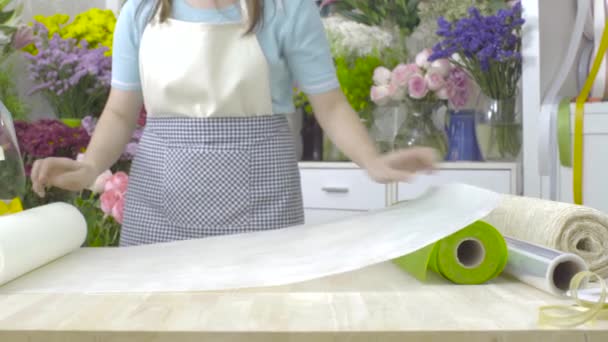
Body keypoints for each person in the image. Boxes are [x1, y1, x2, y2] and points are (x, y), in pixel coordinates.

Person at [30, 0, 437, 246]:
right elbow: (120, 113)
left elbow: (328, 104)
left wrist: (372, 161)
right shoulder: (140, 11)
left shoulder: (286, 10)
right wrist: (88, 168)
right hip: (160, 210)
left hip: (262, 208)